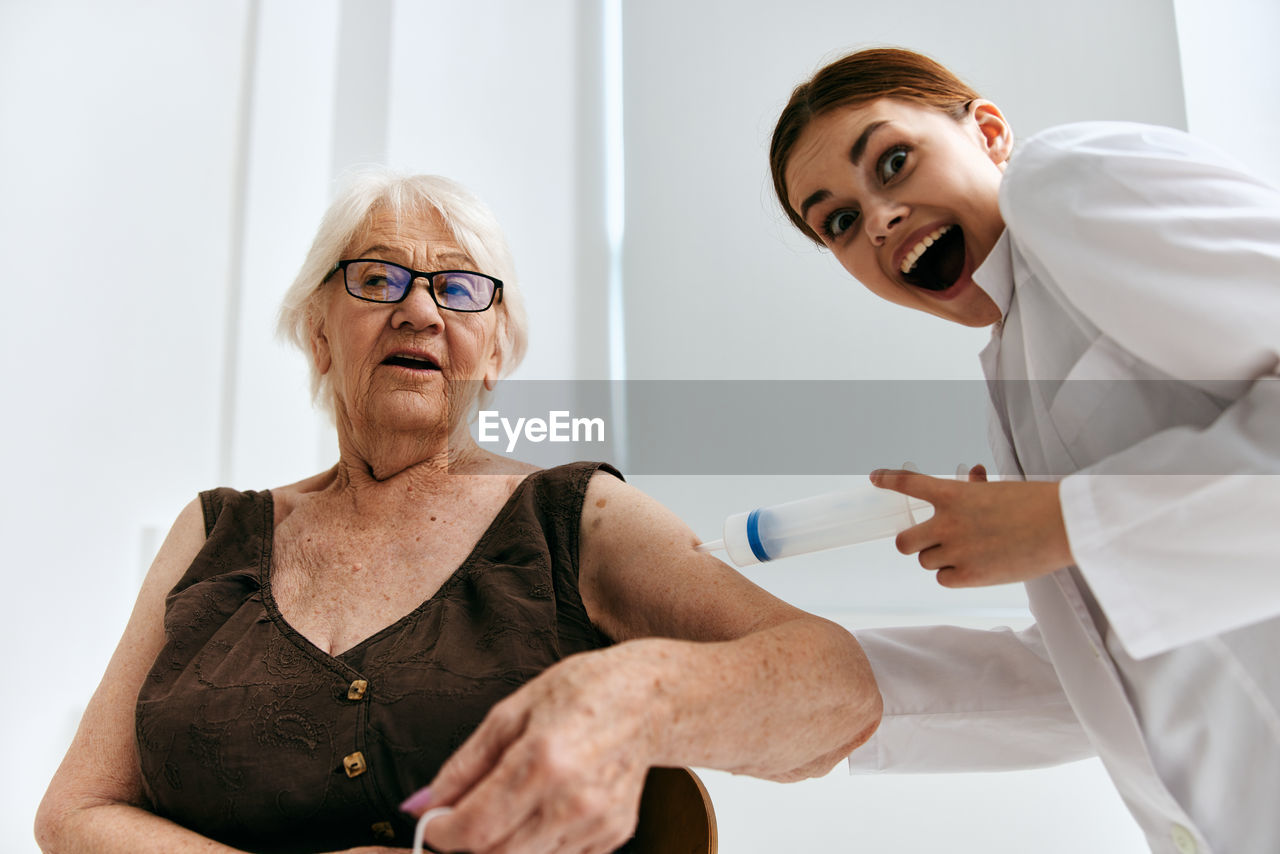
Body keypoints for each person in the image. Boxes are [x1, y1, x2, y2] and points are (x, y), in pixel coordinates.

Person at [35, 170, 882, 854]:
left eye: (461, 288)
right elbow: (74, 812)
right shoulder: (215, 533)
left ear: (499, 348)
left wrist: (637, 694)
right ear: (318, 330)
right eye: (377, 278)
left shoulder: (575, 519)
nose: (421, 310)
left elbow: (838, 685)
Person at [769, 47, 1279, 854]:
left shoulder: (1065, 181)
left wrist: (1067, 523)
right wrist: (804, 697)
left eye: (893, 162)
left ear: (991, 133)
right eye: (836, 221)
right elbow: (1095, 676)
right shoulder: (1014, 364)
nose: (877, 219)